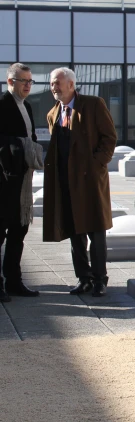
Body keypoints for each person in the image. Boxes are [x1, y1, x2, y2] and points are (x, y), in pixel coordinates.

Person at [43, 67, 117, 297]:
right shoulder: (53, 113)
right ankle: (83, 278)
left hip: (91, 181)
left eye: (57, 83)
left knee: (96, 231)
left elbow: (109, 137)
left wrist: (97, 164)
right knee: (75, 232)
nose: (54, 87)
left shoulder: (93, 104)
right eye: (52, 83)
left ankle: (99, 279)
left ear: (71, 84)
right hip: (66, 181)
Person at [0, 63, 43, 300]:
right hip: (4, 181)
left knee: (19, 230)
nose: (28, 85)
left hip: (23, 180)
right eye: (23, 81)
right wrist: (17, 145)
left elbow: (31, 136)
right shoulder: (2, 105)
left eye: (30, 81)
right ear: (10, 82)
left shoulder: (26, 105)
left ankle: (14, 281)